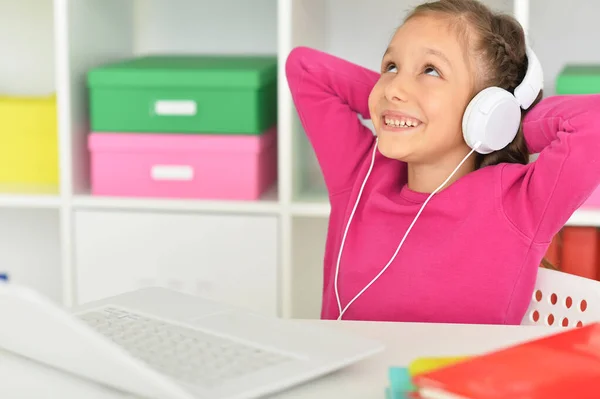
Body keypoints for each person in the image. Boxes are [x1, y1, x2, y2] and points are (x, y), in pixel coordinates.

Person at [285, 0, 600, 325]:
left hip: (461, 376)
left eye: (430, 70)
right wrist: (390, 104)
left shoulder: (517, 204)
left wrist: (508, 123)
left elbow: (595, 123)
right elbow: (304, 68)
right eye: (391, 66)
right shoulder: (361, 175)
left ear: (485, 108)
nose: (394, 87)